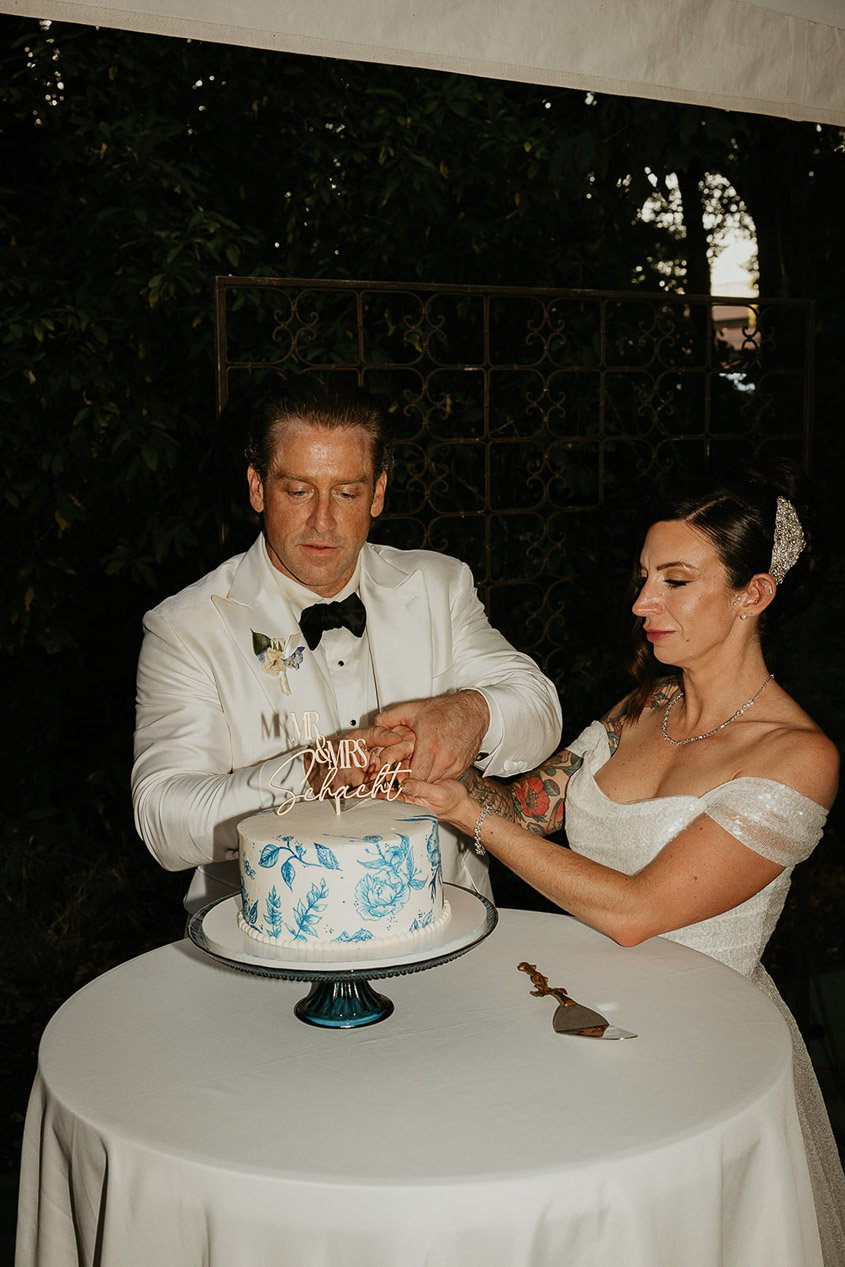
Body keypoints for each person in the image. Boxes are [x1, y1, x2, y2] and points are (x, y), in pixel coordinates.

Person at [399, 460, 845, 1264]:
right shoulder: (642, 707)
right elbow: (529, 807)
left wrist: (467, 814)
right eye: (643, 578)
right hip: (573, 1009)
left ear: (754, 594)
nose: (642, 603)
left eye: (675, 581)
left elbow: (639, 911)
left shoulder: (798, 756)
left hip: (700, 1048)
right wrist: (436, 769)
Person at [131, 374, 562, 913]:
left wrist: (473, 712)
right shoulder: (186, 626)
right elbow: (163, 819)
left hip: (446, 920)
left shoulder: (438, 585)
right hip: (273, 939)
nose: (323, 520)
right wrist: (312, 771)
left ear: (377, 493)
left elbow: (538, 705)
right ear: (257, 488)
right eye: (298, 490)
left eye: (347, 493)